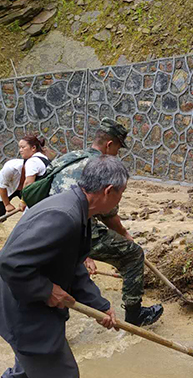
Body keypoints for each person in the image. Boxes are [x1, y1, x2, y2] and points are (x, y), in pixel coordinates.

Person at [0, 156, 126, 378]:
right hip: (25, 308)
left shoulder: (78, 211)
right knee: (60, 374)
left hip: (27, 303)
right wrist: (46, 290)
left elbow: (73, 267)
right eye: (122, 193)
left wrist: (101, 305)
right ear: (109, 191)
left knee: (25, 369)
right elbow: (11, 263)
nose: (122, 199)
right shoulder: (64, 215)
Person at [47, 118, 163, 327]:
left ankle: (52, 324)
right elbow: (108, 213)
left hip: (48, 221)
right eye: (118, 148)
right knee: (133, 254)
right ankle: (135, 314)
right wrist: (126, 237)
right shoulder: (100, 166)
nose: (117, 154)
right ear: (109, 145)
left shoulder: (69, 158)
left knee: (59, 274)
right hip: (75, 227)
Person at [17, 135, 51, 211]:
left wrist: (23, 201)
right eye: (20, 147)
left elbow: (28, 183)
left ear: (33, 148)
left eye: (23, 147)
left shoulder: (32, 162)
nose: (20, 150)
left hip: (38, 202)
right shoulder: (43, 158)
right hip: (46, 198)